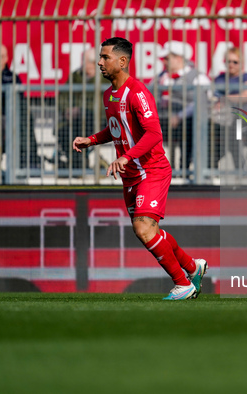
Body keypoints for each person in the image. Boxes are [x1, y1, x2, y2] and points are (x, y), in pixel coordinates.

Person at [72, 37, 208, 300]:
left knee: (143, 229)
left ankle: (183, 284)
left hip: (152, 170)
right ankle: (193, 267)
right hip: (131, 175)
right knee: (150, 231)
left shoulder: (138, 92)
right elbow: (117, 130)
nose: (100, 62)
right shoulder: (109, 94)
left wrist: (125, 157)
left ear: (122, 61)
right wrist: (92, 140)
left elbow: (154, 133)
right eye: (100, 57)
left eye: (105, 57)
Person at [153, 41, 210, 176]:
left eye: (167, 58)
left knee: (190, 126)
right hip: (164, 118)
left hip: (187, 120)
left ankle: (183, 169)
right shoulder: (162, 77)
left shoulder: (198, 77)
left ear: (178, 58)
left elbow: (202, 103)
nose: (164, 62)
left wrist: (179, 116)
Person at [58, 48, 106, 170]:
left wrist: (80, 110)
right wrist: (66, 110)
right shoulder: (75, 76)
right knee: (63, 131)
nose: (82, 64)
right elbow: (62, 96)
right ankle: (76, 162)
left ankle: (79, 163)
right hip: (72, 119)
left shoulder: (105, 79)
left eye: (85, 62)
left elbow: (103, 104)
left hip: (97, 120)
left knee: (82, 125)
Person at [212, 47, 247, 170]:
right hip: (221, 118)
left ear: (241, 64)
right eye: (228, 61)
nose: (231, 64)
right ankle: (210, 167)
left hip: (244, 118)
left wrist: (226, 98)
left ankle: (242, 168)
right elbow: (211, 96)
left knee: (232, 131)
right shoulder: (220, 78)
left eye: (235, 62)